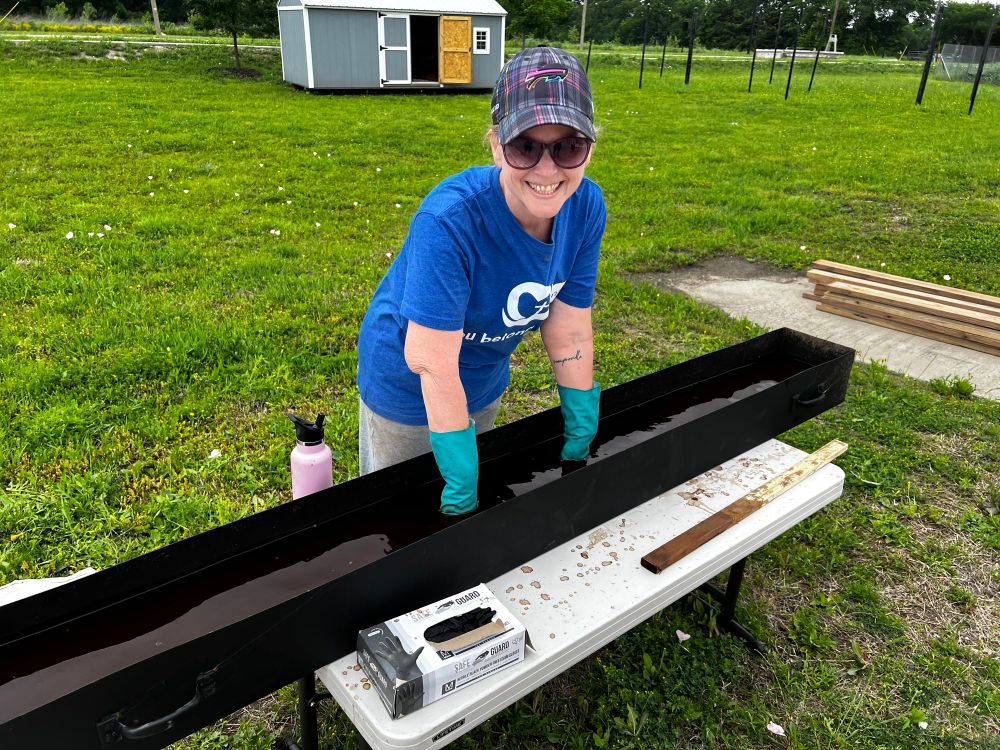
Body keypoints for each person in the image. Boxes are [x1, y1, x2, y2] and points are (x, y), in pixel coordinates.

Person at [356, 45, 607, 515]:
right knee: (399, 516)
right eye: (524, 147)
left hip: (482, 377)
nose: (547, 169)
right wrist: (458, 472)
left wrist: (579, 419)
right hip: (407, 385)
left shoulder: (586, 207)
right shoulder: (450, 220)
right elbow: (431, 363)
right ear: (495, 145)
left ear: (590, 149)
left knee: (463, 516)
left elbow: (568, 326)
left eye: (568, 146)